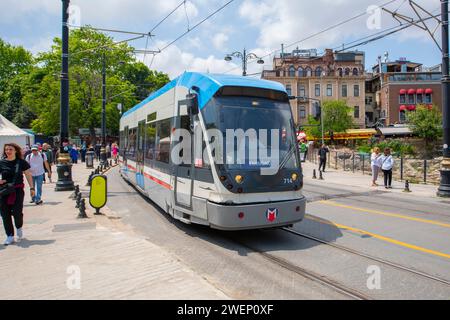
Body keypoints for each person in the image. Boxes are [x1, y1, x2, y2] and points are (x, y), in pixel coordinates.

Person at [0, 143, 35, 245]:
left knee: (17, 212)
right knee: (4, 213)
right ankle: (10, 236)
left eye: (10, 149)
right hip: (4, 191)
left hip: (17, 191)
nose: (8, 151)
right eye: (6, 149)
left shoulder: (21, 162)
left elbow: (28, 174)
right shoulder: (1, 162)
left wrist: (32, 188)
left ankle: (19, 226)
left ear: (15, 151)